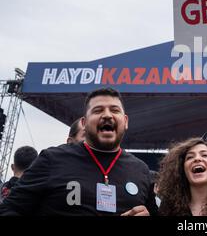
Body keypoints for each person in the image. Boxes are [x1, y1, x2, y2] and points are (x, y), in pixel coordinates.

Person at [0, 87, 157, 216]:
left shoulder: (141, 171)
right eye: (98, 110)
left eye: (115, 110)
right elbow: (9, 209)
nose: (107, 115)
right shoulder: (52, 159)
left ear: (126, 121)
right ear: (84, 122)